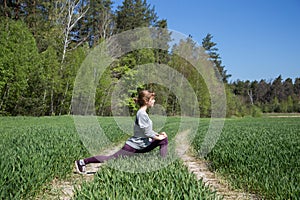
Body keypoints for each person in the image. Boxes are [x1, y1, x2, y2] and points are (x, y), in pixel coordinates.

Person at [75, 90, 168, 174]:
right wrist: (158, 137)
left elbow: (147, 131)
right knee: (110, 158)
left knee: (163, 140)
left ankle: (163, 165)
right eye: (152, 99)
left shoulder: (143, 113)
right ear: (147, 101)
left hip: (142, 144)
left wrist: (158, 135)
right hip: (134, 146)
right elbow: (147, 133)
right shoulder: (142, 114)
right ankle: (82, 162)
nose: (154, 101)